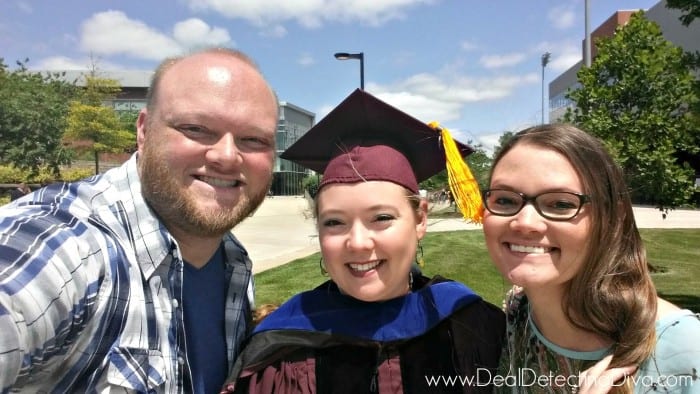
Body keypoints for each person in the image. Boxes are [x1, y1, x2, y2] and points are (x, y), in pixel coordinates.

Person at [0, 48, 279, 393]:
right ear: (144, 131)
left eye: (253, 139)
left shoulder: (234, 264)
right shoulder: (68, 245)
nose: (226, 155)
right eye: (196, 128)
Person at [221, 89, 505, 394]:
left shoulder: (471, 324)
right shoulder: (281, 349)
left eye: (381, 218)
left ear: (420, 219)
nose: (357, 243)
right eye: (334, 222)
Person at [482, 124, 700, 393]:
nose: (524, 222)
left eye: (561, 204)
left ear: (613, 218)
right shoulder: (518, 313)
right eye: (505, 200)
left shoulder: (681, 352)